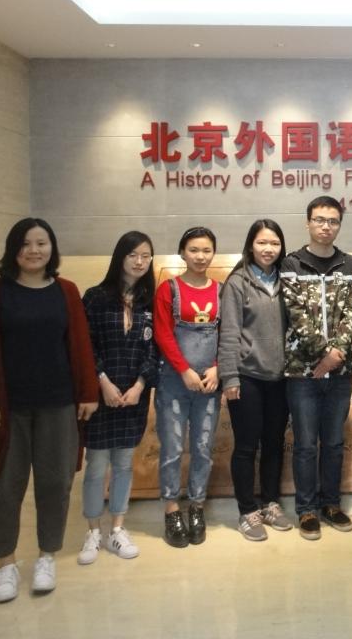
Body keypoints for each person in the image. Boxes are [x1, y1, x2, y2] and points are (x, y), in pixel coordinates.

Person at [0, 218, 98, 603]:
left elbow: (81, 345)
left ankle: (46, 557)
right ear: (12, 249)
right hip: (7, 412)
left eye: (41, 243)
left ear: (52, 248)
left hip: (59, 405)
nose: (34, 250)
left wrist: (88, 393)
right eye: (25, 243)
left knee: (55, 484)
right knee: (4, 488)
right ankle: (6, 563)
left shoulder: (66, 291)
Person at [280, 196, 352, 540]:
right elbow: (295, 313)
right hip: (302, 372)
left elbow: (351, 314)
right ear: (308, 222)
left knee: (333, 443)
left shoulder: (350, 264)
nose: (326, 226)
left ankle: (331, 504)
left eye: (332, 221)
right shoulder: (292, 263)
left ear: (339, 225)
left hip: (340, 373)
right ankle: (306, 509)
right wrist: (322, 354)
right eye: (319, 220)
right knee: (305, 445)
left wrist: (335, 355)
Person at [76, 231, 159, 565]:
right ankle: (93, 530)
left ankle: (117, 528)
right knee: (96, 465)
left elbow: (155, 349)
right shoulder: (95, 297)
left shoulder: (150, 300)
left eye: (146, 256)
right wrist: (103, 383)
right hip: (101, 395)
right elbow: (85, 345)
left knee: (125, 463)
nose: (139, 262)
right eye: (133, 255)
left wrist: (140, 385)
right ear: (120, 257)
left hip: (134, 395)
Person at [217, 219, 293, 542]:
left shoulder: (287, 279)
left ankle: (270, 503)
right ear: (251, 245)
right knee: (246, 447)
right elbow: (229, 333)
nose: (268, 249)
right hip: (246, 378)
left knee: (274, 444)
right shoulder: (238, 282)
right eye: (262, 242)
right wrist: (229, 376)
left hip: (281, 378)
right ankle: (247, 511)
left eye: (274, 243)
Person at [154, 226, 220, 547]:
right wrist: (183, 370)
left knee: (203, 447)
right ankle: (171, 509)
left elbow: (228, 333)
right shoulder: (168, 289)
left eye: (206, 250)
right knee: (172, 447)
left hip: (209, 384)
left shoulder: (220, 290)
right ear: (182, 252)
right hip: (174, 382)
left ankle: (196, 506)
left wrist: (217, 369)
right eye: (194, 250)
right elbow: (163, 333)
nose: (200, 256)